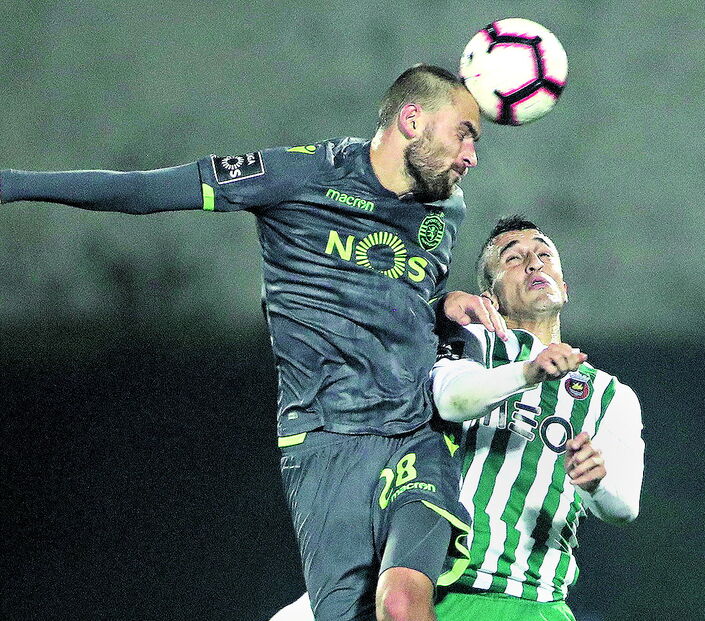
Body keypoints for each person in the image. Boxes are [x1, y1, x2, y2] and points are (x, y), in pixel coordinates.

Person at [0, 64, 509, 621]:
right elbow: (145, 190)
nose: (471, 156)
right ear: (413, 119)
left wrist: (443, 306)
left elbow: (404, 301)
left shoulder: (447, 211)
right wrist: (14, 184)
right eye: (464, 132)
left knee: (405, 603)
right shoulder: (299, 175)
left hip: (417, 434)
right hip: (324, 439)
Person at [272, 215, 645, 621]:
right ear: (491, 297)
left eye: (544, 254)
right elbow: (453, 400)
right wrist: (528, 371)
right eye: (514, 258)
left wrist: (596, 482)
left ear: (564, 286)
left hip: (522, 598)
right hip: (421, 581)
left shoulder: (612, 395)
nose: (534, 264)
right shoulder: (465, 342)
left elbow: (623, 507)